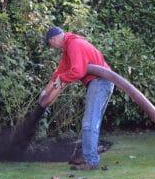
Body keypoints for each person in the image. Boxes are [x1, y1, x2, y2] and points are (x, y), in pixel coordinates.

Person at [39, 26, 114, 170]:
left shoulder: (74, 44)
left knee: (89, 123)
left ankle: (90, 161)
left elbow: (77, 71)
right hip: (100, 82)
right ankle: (88, 156)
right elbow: (59, 72)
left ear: (53, 39)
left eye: (50, 44)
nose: (52, 47)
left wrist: (62, 79)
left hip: (100, 81)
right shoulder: (69, 47)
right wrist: (44, 93)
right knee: (92, 121)